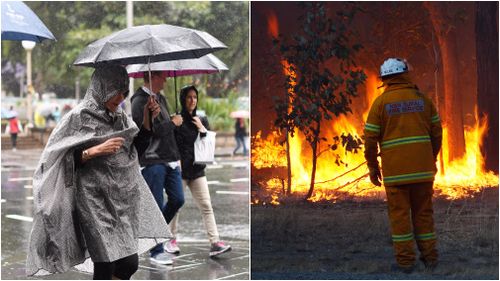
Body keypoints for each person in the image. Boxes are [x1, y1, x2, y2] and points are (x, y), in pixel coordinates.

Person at [26, 65, 171, 279]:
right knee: (106, 263)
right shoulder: (77, 117)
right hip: (93, 201)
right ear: (101, 88)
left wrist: (148, 119)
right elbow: (53, 160)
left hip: (123, 200)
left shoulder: (121, 117)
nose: (120, 97)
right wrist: (92, 151)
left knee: (130, 264)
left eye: (124, 92)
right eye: (115, 91)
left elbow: (134, 152)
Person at [364, 58, 442, 273]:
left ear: (385, 79)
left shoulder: (380, 104)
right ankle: (431, 259)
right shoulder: (423, 100)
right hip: (423, 172)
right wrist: (429, 158)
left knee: (400, 219)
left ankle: (406, 263)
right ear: (405, 74)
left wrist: (372, 166)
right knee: (424, 215)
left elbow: (370, 139)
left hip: (396, 174)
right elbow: (437, 133)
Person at [169, 85, 232, 257]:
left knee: (206, 206)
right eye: (189, 97)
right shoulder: (176, 120)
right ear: (183, 99)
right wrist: (173, 125)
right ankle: (170, 240)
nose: (192, 100)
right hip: (180, 171)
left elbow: (208, 144)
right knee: (175, 207)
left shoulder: (201, 119)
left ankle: (215, 243)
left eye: (195, 97)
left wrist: (202, 129)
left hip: (197, 170)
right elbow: (171, 145)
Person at [131, 71, 184, 265]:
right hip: (152, 160)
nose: (166, 80)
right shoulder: (139, 101)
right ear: (153, 77)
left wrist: (172, 122)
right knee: (156, 203)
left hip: (169, 158)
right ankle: (156, 250)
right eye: (163, 76)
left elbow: (164, 127)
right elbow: (145, 133)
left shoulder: (160, 98)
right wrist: (172, 123)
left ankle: (152, 235)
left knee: (178, 199)